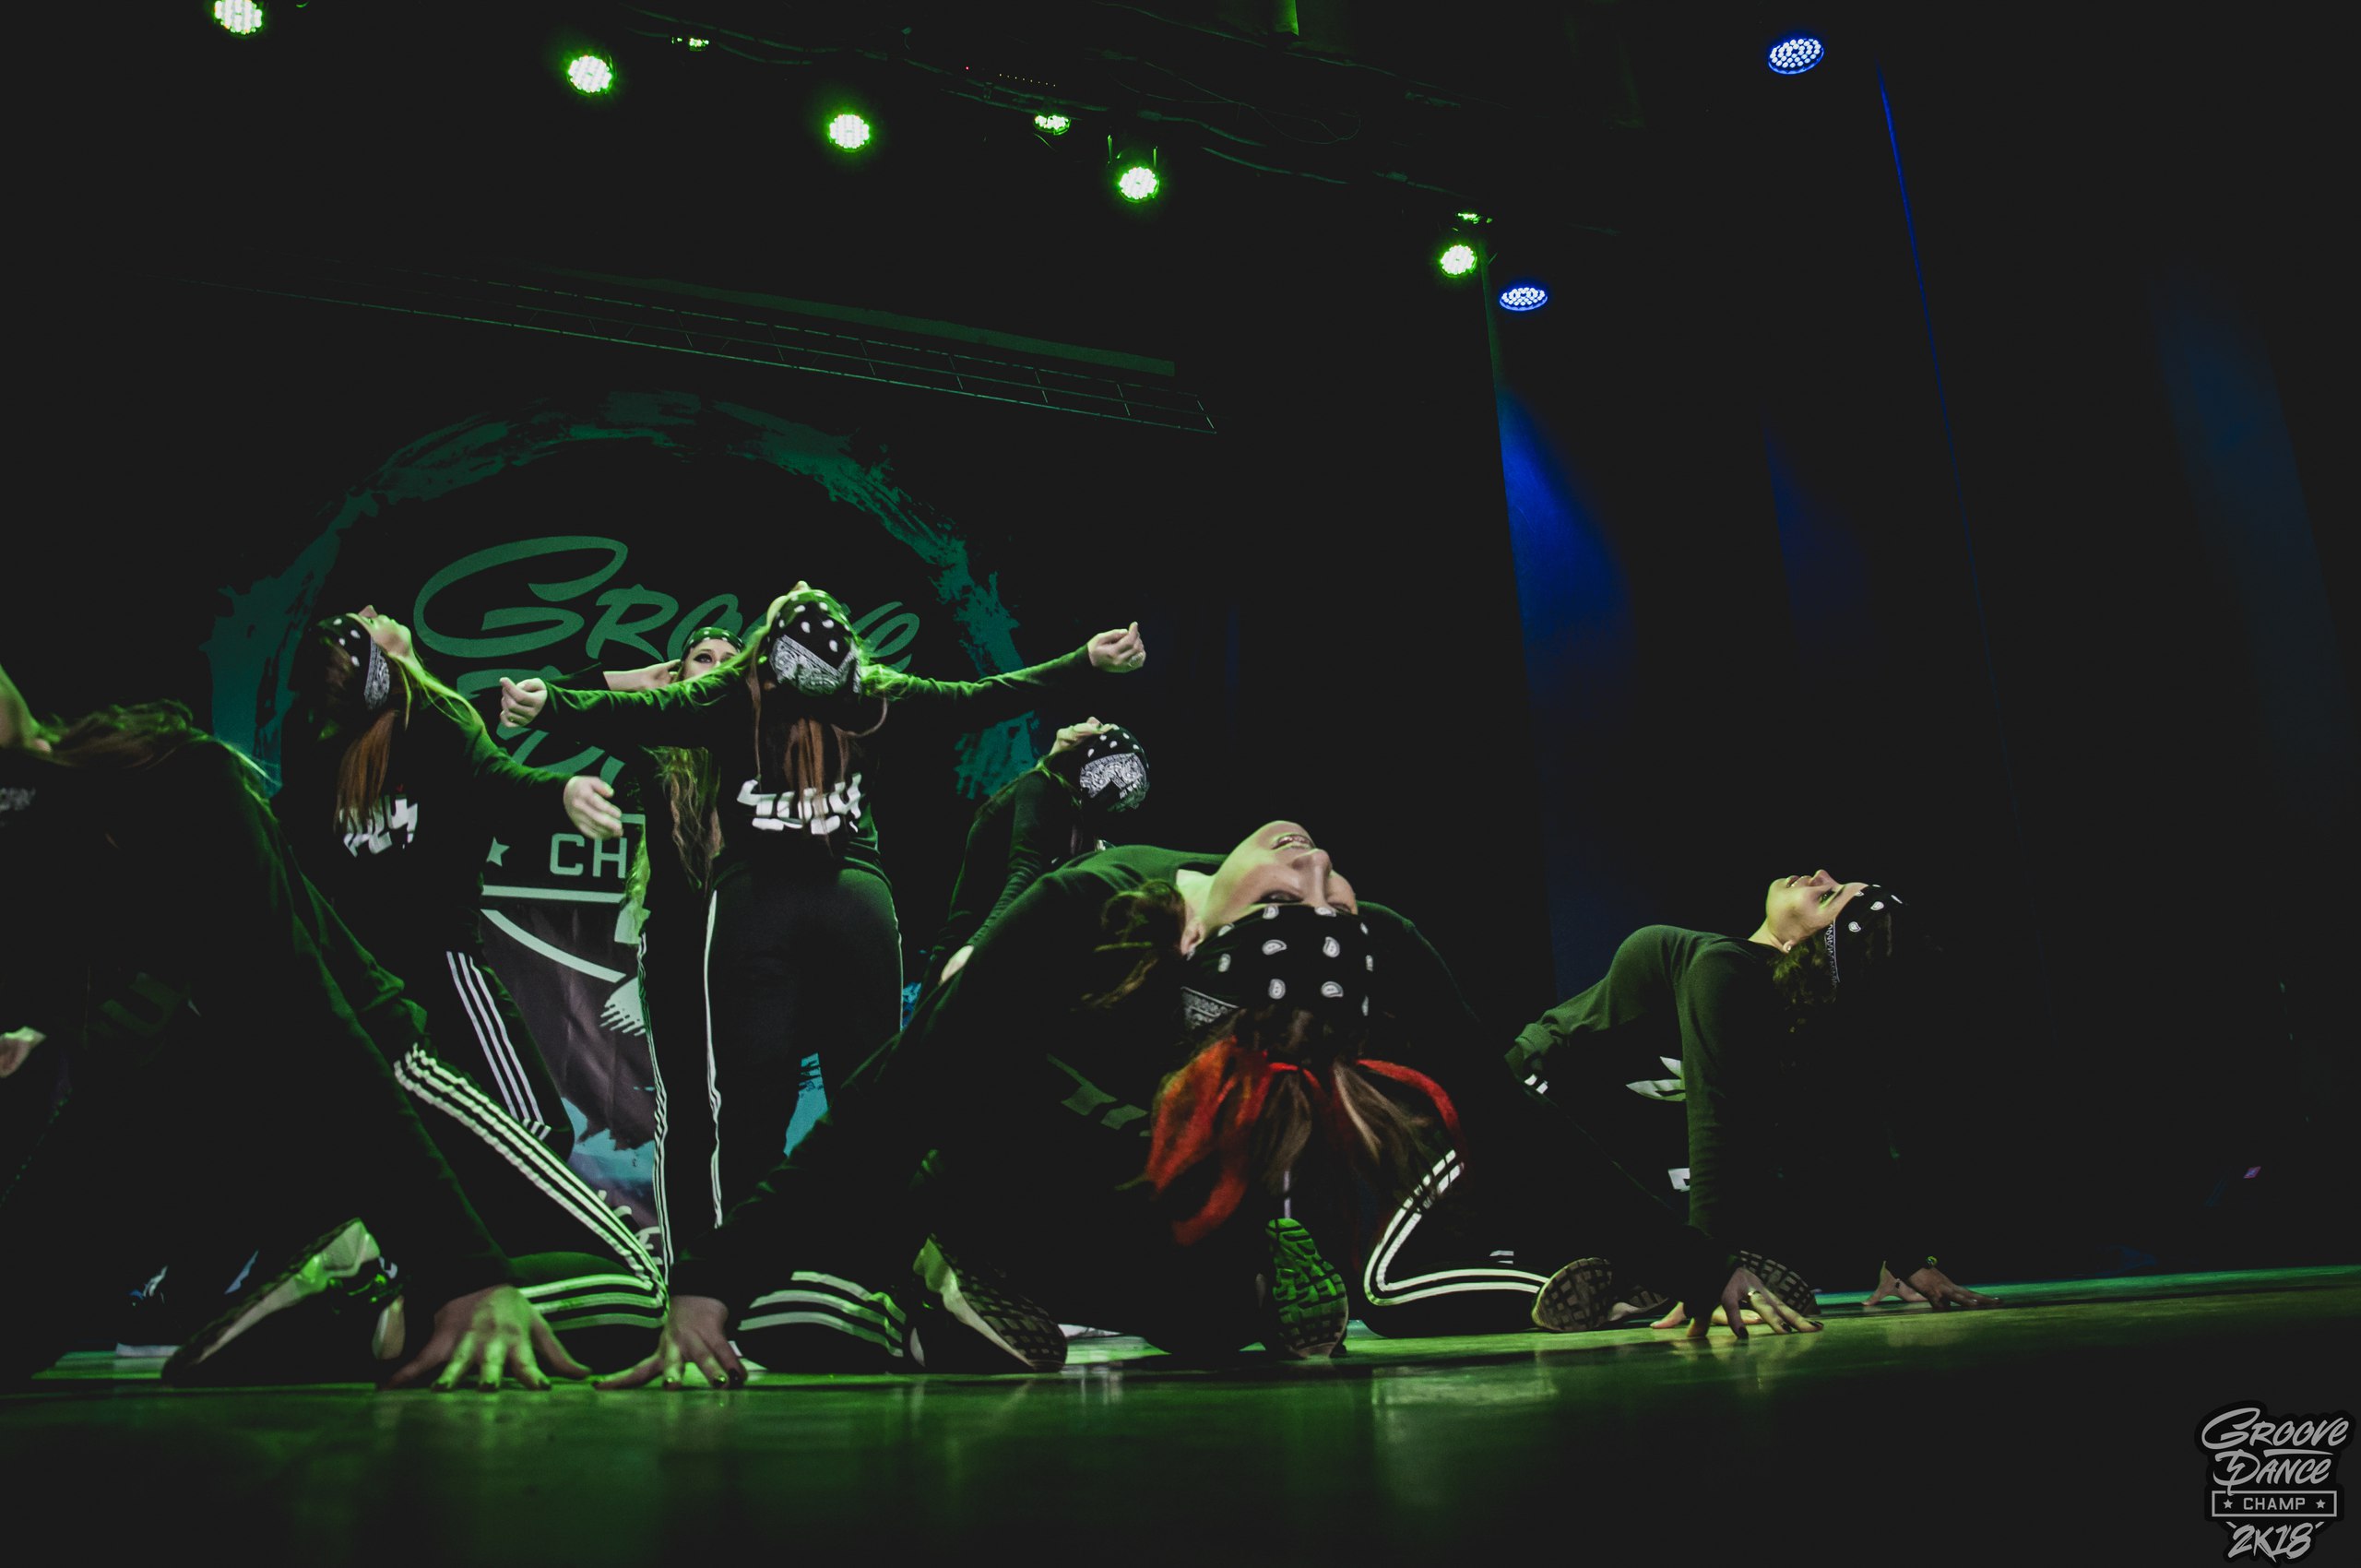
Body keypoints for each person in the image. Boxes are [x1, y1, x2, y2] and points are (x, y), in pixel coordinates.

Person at [599, 819, 1809, 1390]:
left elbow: (1508, 1120)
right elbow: (904, 1093)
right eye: (1308, 881)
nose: (1319, 861)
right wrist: (714, 1277)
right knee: (983, 1070)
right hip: (1002, 1165)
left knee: (1226, 1308)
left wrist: (1694, 1266)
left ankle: (1170, 1283)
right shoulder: (1080, 907)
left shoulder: (1361, 954)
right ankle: (945, 1267)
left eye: (1319, 890)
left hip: (1169, 1200)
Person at [0, 669, 629, 1388]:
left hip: (349, 1066)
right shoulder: (262, 775)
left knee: (620, 1278)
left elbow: (310, 1025)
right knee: (634, 1291)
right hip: (189, 1117)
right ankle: (357, 1305)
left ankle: (363, 1305)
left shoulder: (180, 784)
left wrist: (463, 1276)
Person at [496, 587, 1147, 1273]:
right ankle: (825, 1273)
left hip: (760, 910)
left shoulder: (738, 697)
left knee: (774, 1106)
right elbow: (974, 698)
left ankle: (771, 1277)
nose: (803, 585)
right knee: (832, 1102)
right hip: (804, 911)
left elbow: (973, 698)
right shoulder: (839, 697)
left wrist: (549, 704)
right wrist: (1082, 662)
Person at [1503, 871, 1999, 1324]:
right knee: (1518, 1262)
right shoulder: (1721, 964)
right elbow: (1718, 1119)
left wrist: (1907, 1257)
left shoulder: (1793, 1020)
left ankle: (1632, 1280)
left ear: (1802, 948)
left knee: (1732, 1205)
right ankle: (1599, 1274)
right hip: (1530, 1101)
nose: (1819, 875)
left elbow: (1846, 1132)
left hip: (1621, 1137)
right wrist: (1707, 1269)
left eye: (1826, 896)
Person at [278, 608, 627, 1158]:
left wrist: (564, 784)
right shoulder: (365, 744)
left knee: (459, 1133)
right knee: (532, 1128)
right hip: (427, 966)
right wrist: (560, 793)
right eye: (361, 622)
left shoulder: (429, 721)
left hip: (381, 976)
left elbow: (498, 754)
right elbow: (494, 775)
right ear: (379, 661)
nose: (370, 609)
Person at [923, 719, 1150, 989]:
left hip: (969, 950)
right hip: (997, 958)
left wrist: (975, 946)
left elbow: (1026, 870)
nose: (1093, 722)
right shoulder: (1074, 828)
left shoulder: (1042, 790)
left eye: (1101, 729)